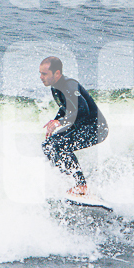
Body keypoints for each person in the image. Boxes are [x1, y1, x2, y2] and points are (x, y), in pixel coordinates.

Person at [39, 56, 108, 197]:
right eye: (40, 73)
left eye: (44, 74)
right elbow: (65, 107)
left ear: (57, 73)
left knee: (62, 145)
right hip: (80, 126)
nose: (41, 77)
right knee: (48, 145)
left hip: (96, 128)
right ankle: (69, 181)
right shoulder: (55, 87)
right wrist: (56, 120)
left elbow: (83, 109)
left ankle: (81, 185)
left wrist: (60, 122)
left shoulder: (69, 85)